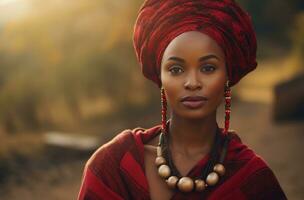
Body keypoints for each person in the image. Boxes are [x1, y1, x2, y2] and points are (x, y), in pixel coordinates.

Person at [78, 0, 287, 199]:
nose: (192, 82)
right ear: (160, 78)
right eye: (176, 69)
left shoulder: (253, 180)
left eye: (208, 68)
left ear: (227, 76)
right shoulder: (113, 166)